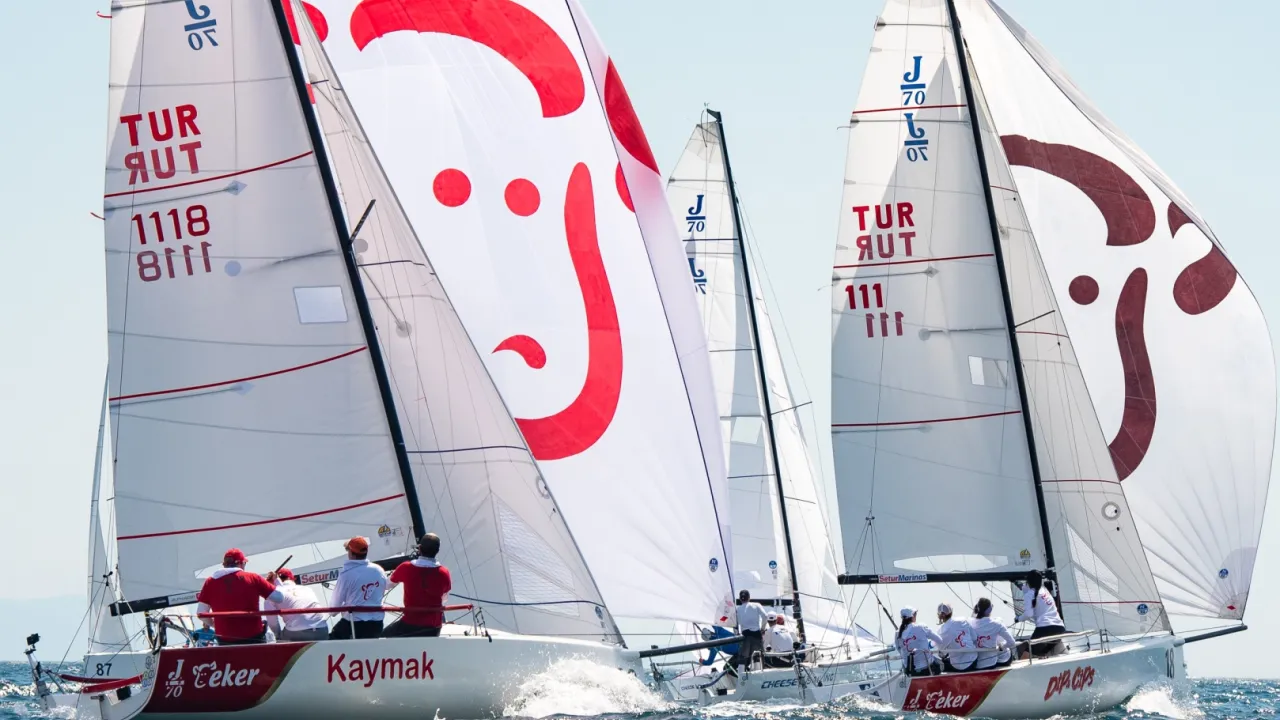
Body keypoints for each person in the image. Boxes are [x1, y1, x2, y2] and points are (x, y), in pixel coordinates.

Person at [196, 548, 285, 645]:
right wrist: (274, 583)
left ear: (224, 565)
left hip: (224, 640)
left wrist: (215, 625)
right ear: (241, 563)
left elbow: (200, 613)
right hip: (254, 638)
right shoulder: (253, 578)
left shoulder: (210, 582)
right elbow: (280, 598)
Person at [384, 533, 453, 638]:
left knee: (381, 637)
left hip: (410, 623)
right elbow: (444, 598)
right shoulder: (444, 573)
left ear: (419, 548)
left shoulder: (406, 567)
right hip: (434, 626)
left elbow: (387, 585)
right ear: (437, 551)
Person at [329, 536, 387, 640]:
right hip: (377, 624)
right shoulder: (379, 570)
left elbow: (333, 610)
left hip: (354, 624)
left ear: (351, 553)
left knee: (328, 644)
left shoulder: (346, 574)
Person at [263, 569, 329, 642]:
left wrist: (278, 636)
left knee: (278, 640)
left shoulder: (272, 594)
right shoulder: (307, 589)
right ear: (292, 579)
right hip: (322, 630)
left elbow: (272, 622)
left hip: (296, 633)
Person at [1015, 570, 1068, 658]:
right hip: (1060, 628)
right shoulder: (1044, 590)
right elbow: (1028, 589)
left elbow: (1028, 614)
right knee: (1041, 655)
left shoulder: (1029, 594)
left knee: (1025, 657)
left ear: (1028, 582)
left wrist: (1018, 619)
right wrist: (1018, 584)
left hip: (1045, 629)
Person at [970, 598, 1018, 670]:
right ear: (990, 610)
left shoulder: (970, 623)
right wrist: (1001, 647)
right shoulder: (996, 624)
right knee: (1002, 644)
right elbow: (1012, 643)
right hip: (992, 662)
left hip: (978, 663)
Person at [727, 590, 767, 674]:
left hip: (745, 636)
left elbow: (734, 624)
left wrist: (736, 634)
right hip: (756, 635)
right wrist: (762, 628)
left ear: (740, 599)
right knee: (757, 657)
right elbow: (765, 616)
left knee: (742, 658)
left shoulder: (737, 610)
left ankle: (741, 677)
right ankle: (758, 675)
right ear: (749, 597)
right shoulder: (756, 605)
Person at [895, 606, 943, 676]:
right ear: (913, 616)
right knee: (940, 662)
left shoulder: (897, 633)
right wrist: (930, 645)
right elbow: (939, 640)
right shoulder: (921, 627)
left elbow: (899, 649)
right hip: (927, 669)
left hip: (909, 671)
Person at [935, 603, 977, 672]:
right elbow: (974, 637)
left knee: (942, 663)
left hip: (959, 666)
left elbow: (942, 653)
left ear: (939, 615)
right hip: (973, 661)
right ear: (951, 612)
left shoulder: (941, 631)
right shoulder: (963, 620)